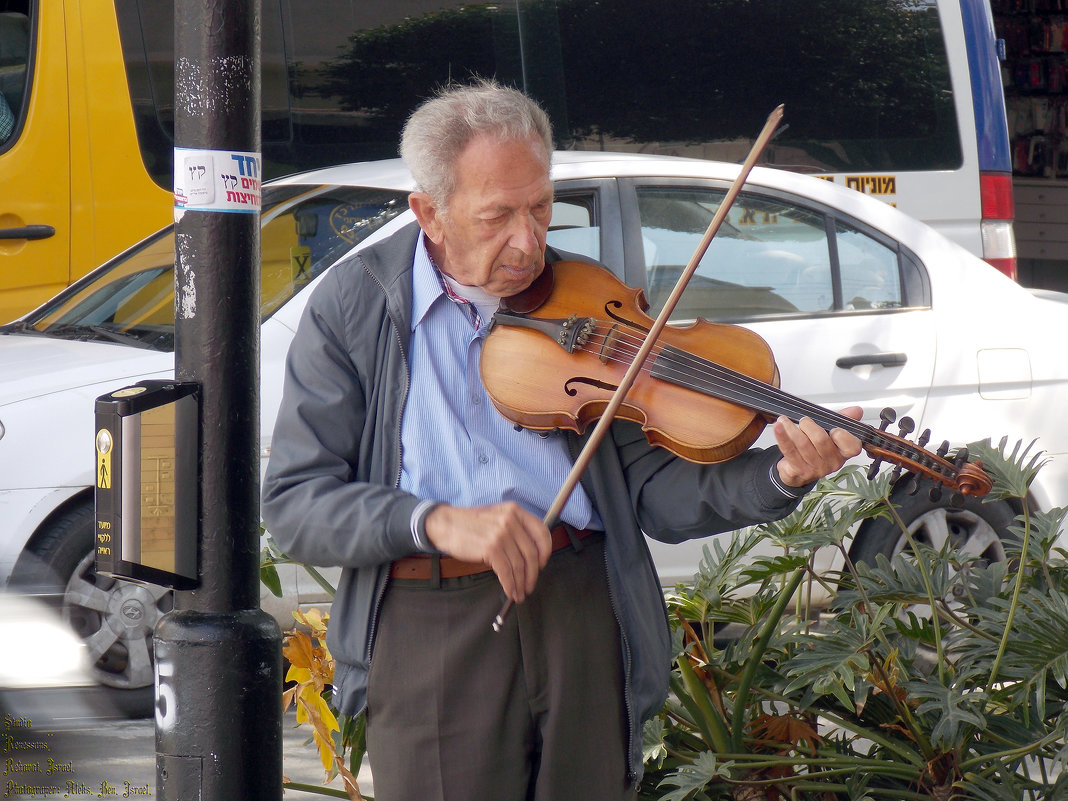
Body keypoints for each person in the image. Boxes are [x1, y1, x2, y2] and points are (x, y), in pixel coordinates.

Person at [261, 79, 863, 801]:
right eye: (497, 217)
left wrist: (780, 477)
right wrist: (435, 520)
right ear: (429, 213)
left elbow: (657, 495)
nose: (528, 241)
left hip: (581, 605)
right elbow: (297, 505)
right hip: (433, 622)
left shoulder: (585, 296)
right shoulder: (354, 306)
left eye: (541, 207)